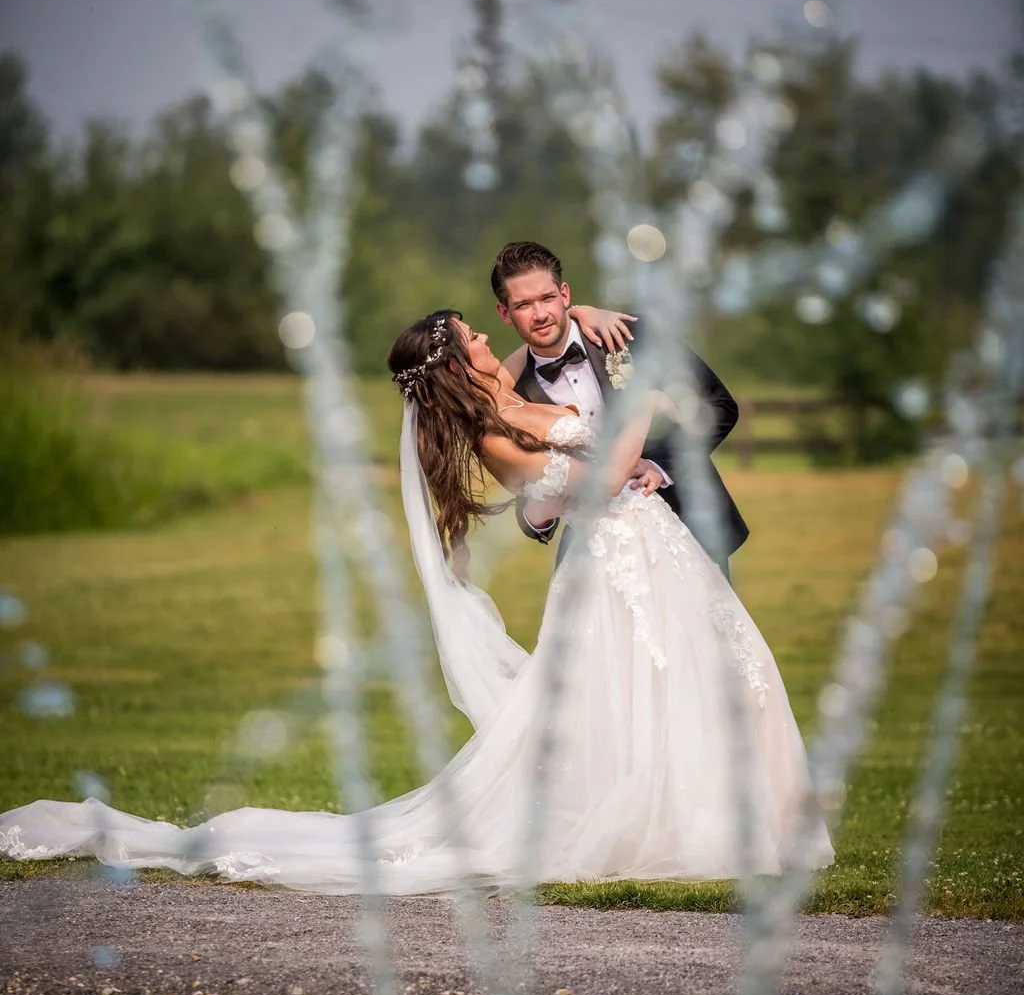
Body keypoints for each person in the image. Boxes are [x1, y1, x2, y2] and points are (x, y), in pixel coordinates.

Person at [0, 310, 833, 892]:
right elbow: (602, 472)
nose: (486, 338)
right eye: (475, 334)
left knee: (708, 680)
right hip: (615, 571)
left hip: (652, 554)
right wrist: (642, 416)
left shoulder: (506, 403)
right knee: (663, 689)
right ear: (457, 362)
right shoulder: (498, 441)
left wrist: (593, 324)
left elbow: (554, 394)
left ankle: (740, 821)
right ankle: (697, 827)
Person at [492, 240, 748, 577]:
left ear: (565, 295)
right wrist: (539, 515)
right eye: (524, 304)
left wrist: (661, 464)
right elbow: (530, 490)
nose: (540, 314)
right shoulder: (514, 393)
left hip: (688, 529)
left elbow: (717, 405)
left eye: (547, 298)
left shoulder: (633, 336)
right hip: (597, 562)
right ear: (505, 313)